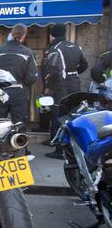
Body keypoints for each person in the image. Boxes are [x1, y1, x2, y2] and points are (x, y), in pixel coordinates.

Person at [42, 23, 88, 159]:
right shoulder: (75, 46)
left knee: (59, 116)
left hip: (61, 86)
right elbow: (84, 64)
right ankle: (71, 148)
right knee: (72, 115)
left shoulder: (55, 48)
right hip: (75, 84)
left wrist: (48, 86)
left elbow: (53, 71)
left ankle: (58, 150)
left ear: (53, 35)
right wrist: (73, 73)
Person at [0, 23, 38, 125]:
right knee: (19, 125)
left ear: (11, 34)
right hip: (19, 92)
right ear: (23, 36)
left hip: (0, 92)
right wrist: (22, 82)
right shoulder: (28, 52)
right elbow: (32, 77)